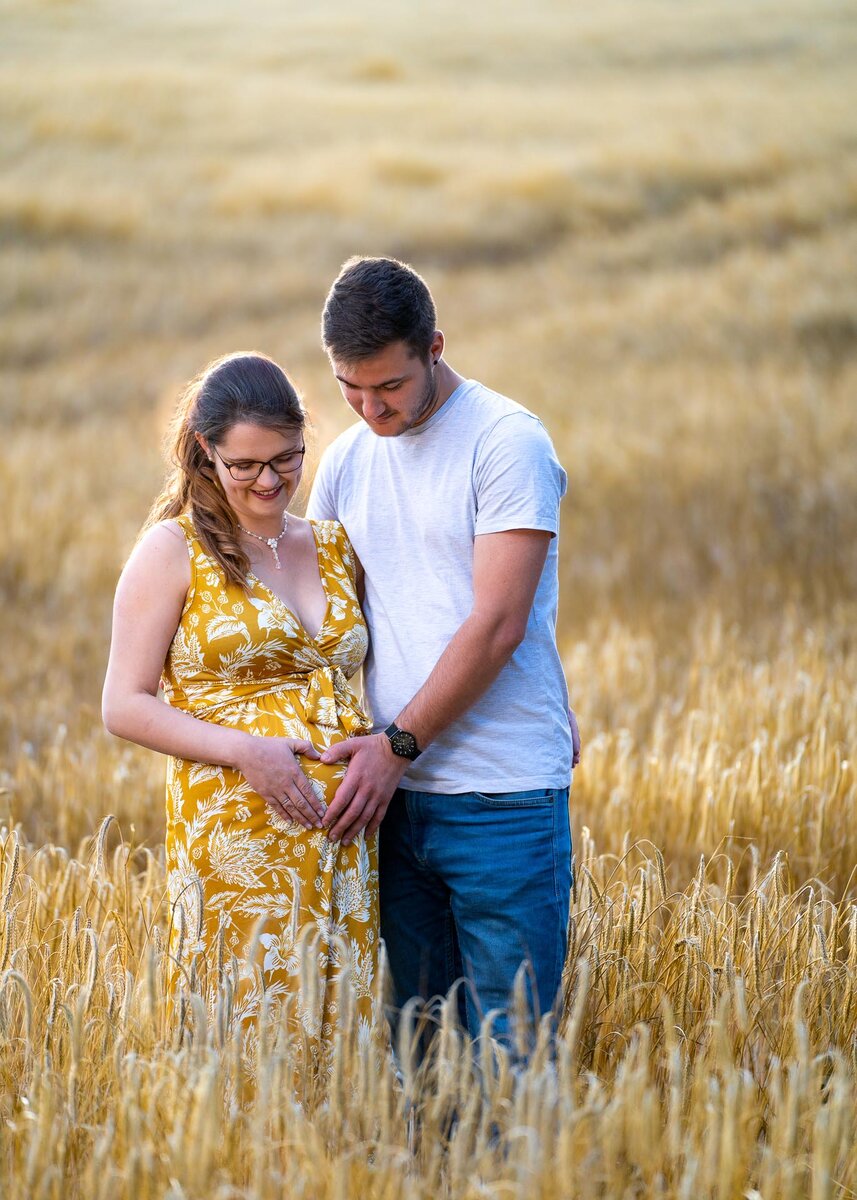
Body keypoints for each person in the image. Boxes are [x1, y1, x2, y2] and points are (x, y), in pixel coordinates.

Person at [307, 257, 579, 1052]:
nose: (368, 407)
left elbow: (497, 623)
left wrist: (396, 745)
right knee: (419, 1053)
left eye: (386, 386)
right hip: (389, 803)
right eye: (348, 388)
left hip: (500, 796)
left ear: (434, 347)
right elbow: (325, 620)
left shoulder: (505, 442)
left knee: (511, 1051)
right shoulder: (346, 460)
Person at [102, 352, 378, 1073]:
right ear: (205, 452)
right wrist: (244, 750)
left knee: (345, 1033)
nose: (268, 481)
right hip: (236, 834)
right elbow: (123, 705)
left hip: (345, 835)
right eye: (244, 465)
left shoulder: (331, 542)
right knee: (246, 1038)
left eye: (286, 459)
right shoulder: (172, 551)